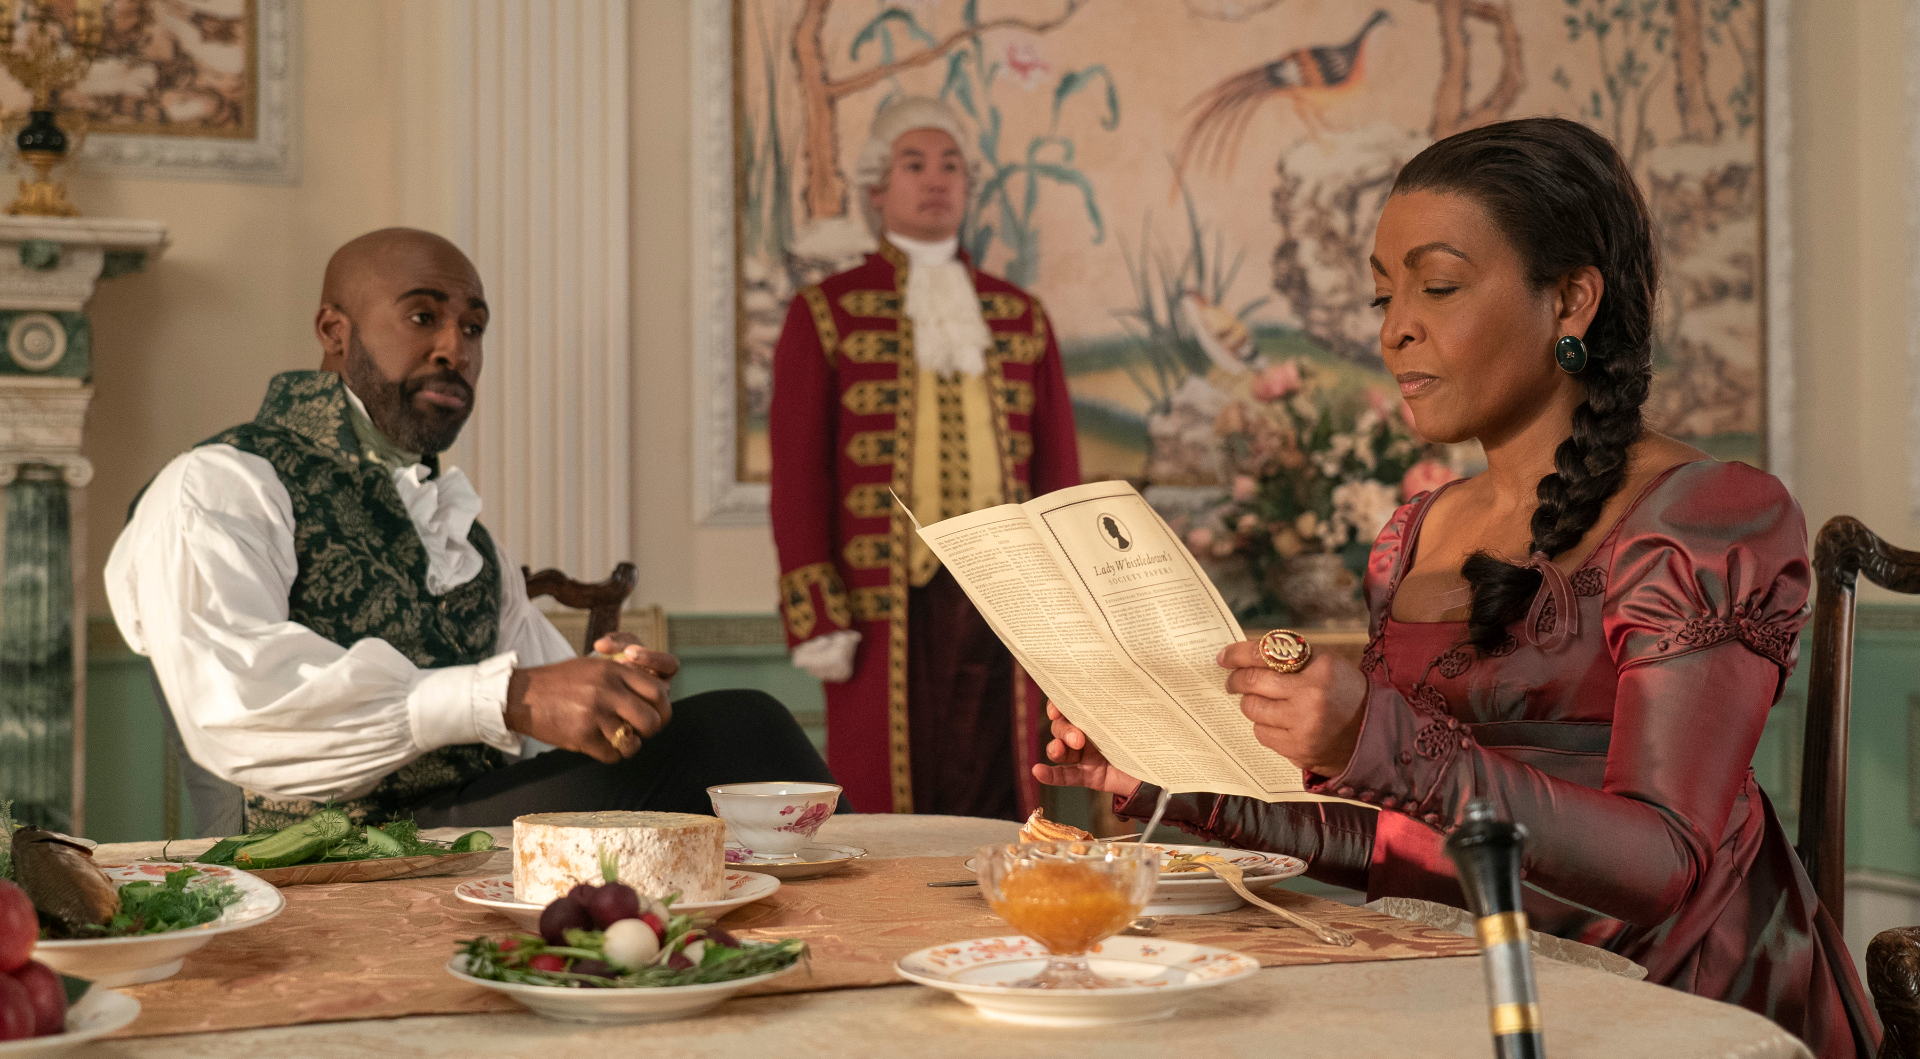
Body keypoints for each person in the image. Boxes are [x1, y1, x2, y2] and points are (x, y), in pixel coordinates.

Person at [1035, 119, 1878, 1057]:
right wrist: (1171, 789)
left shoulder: (1711, 513)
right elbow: (1402, 842)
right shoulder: (1416, 534)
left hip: (1672, 1001)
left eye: (1437, 286)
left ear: (1570, 300)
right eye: (1382, 292)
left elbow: (1660, 865)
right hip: (1458, 980)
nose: (1396, 325)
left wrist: (1375, 736)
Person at [108, 228, 838, 835]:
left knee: (733, 739)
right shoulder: (220, 484)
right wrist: (509, 697)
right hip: (318, 855)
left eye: (474, 327)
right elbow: (237, 709)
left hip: (453, 829)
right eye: (424, 317)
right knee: (740, 730)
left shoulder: (466, 538)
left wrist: (613, 690)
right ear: (334, 331)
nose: (456, 347)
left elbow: (536, 700)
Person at [769, 97, 1081, 817]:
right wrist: (817, 612)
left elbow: (1057, 471)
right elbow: (799, 476)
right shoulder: (827, 311)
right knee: (886, 799)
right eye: (914, 164)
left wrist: (1067, 603)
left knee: (1006, 790)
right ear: (879, 188)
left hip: (1002, 602)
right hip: (883, 601)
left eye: (951, 166)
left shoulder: (1020, 314)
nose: (935, 179)